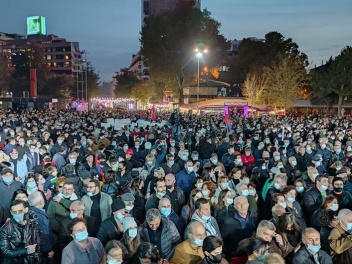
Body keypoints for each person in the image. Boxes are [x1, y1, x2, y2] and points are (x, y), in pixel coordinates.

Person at [28, 191, 55, 263]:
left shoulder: (29, 212)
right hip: (42, 252)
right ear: (40, 202)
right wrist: (48, 250)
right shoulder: (39, 217)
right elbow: (43, 235)